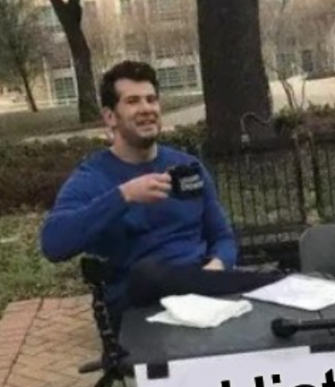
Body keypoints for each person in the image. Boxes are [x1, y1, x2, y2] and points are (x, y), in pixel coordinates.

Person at [40, 61, 279, 324]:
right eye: (132, 101)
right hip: (139, 307)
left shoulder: (188, 169)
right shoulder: (93, 178)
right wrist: (124, 196)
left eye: (151, 99)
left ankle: (279, 284)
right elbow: (53, 244)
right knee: (148, 274)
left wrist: (216, 267)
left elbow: (222, 238)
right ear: (110, 117)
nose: (146, 109)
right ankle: (269, 281)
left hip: (203, 296)